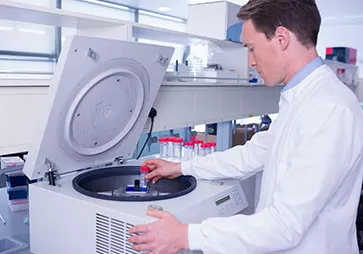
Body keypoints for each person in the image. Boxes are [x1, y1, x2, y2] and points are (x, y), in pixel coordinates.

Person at [128, 0, 363, 253]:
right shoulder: (302, 99)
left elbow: (285, 226)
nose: (250, 61)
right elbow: (253, 154)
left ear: (281, 39)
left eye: (251, 48)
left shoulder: (327, 108)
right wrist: (182, 167)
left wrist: (186, 236)